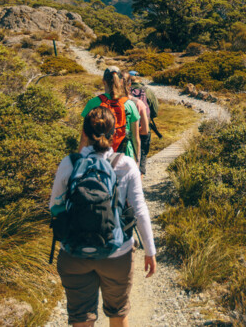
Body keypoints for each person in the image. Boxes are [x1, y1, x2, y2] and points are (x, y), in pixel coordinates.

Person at [50, 106, 157, 327]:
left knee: (81, 318)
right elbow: (140, 210)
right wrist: (150, 251)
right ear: (115, 134)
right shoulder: (126, 164)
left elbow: (54, 207)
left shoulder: (69, 163)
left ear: (84, 133)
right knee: (118, 314)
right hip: (117, 253)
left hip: (74, 253)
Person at [80, 66, 141, 163]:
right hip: (124, 156)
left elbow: (84, 137)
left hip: (98, 156)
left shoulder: (93, 103)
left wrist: (81, 160)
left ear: (103, 81)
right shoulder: (130, 104)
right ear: (121, 81)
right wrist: (137, 161)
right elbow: (136, 138)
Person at [124, 71, 150, 176]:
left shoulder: (117, 99)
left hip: (125, 132)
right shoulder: (146, 91)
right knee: (142, 154)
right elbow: (155, 110)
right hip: (142, 127)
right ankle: (139, 180)